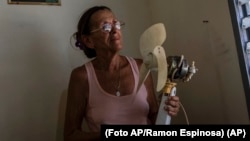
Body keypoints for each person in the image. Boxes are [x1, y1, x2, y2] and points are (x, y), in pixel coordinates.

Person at [64, 5, 180, 141]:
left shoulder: (141, 66)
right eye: (105, 27)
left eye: (116, 24)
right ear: (89, 41)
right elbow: (70, 135)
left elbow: (153, 114)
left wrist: (165, 110)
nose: (114, 31)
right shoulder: (81, 77)